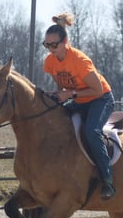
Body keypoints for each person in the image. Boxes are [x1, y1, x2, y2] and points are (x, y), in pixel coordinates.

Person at [42, 12, 116, 200]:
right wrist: (57, 96)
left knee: (91, 131)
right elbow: (61, 85)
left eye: (54, 45)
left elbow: (98, 90)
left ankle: (107, 180)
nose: (50, 49)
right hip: (79, 100)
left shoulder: (80, 61)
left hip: (101, 99)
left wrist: (70, 94)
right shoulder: (50, 62)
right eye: (47, 45)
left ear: (65, 42)